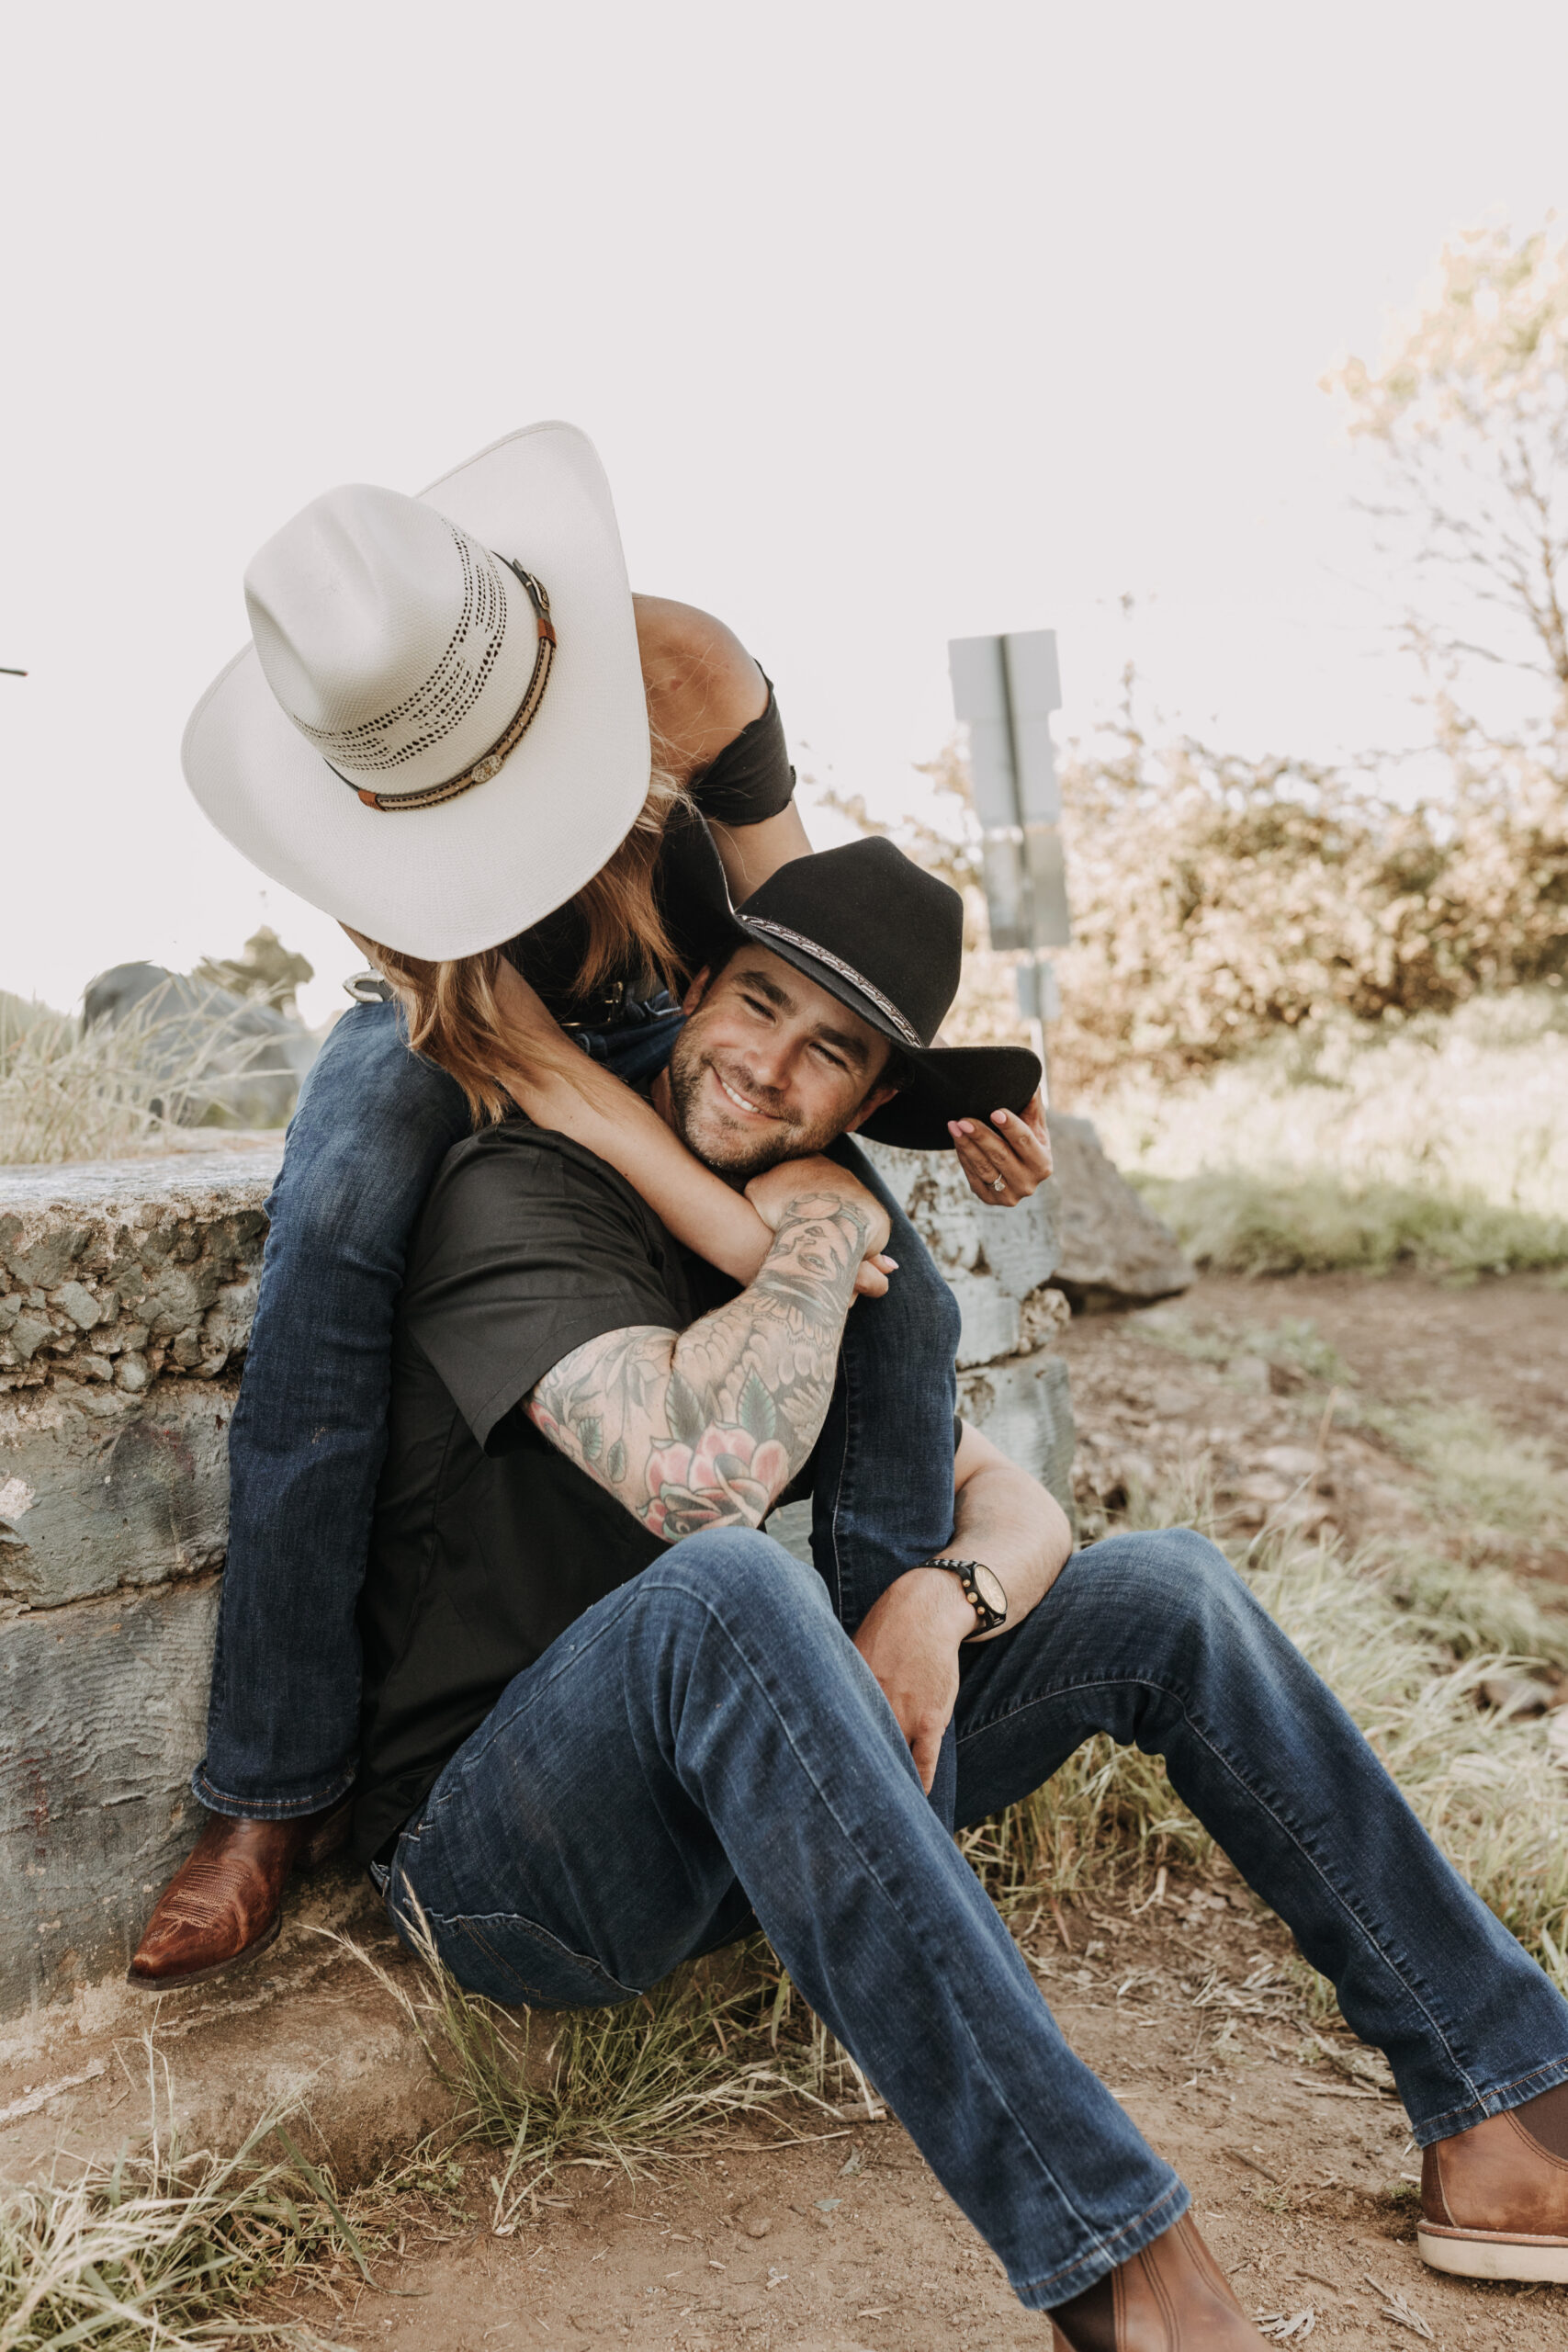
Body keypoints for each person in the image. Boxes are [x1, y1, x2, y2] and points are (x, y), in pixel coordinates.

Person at [355, 838, 1568, 2345]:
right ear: (692, 994)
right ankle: (1120, 2267)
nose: (766, 1067)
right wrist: (825, 1225)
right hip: (498, 1856)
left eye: (830, 1054)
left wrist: (942, 1600)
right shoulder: (527, 1192)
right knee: (733, 1586)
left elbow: (1014, 1498)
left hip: (718, 1817)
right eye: (754, 1004)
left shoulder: (781, 1227)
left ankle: (1508, 2115)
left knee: (1169, 1588)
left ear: (868, 1103)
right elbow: (696, 1474)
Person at [130, 423, 1049, 1990]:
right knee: (343, 1217)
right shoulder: (330, 735)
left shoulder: (690, 681)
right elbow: (533, 1069)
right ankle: (269, 1790)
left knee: (921, 1305)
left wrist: (914, 1110)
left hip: (689, 1008)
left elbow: (816, 971)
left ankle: (874, 1733)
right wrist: (746, 1237)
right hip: (480, 1016)